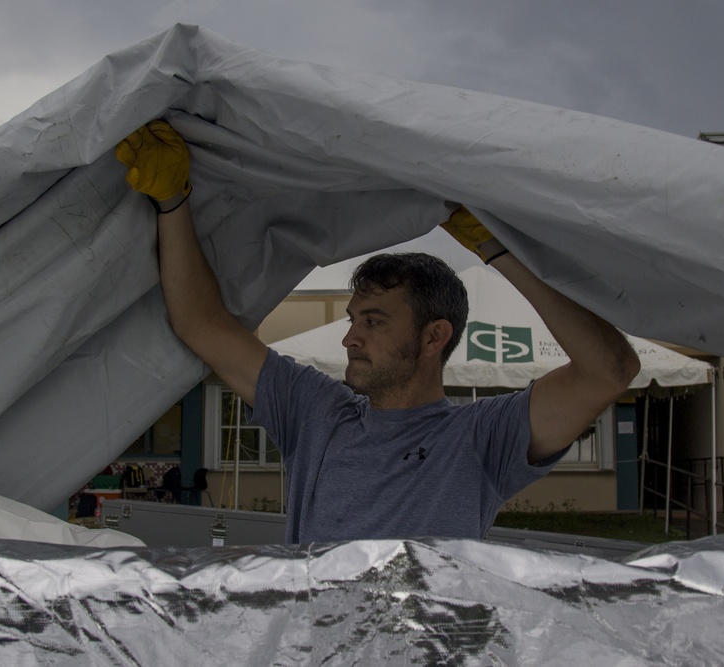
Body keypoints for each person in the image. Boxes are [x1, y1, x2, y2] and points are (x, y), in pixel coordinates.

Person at [116, 120, 640, 544]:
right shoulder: (316, 412)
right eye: (352, 320)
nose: (349, 338)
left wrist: (498, 251)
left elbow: (610, 370)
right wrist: (173, 202)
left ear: (434, 337)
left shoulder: (480, 437)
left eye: (373, 321)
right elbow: (199, 324)